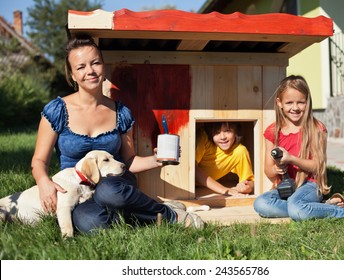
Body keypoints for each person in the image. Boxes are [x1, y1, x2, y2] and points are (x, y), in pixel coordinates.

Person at [31, 33, 203, 234]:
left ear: (103, 65)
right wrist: (44, 182)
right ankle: (141, 212)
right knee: (91, 224)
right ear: (72, 74)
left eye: (95, 63)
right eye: (81, 67)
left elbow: (128, 161)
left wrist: (157, 159)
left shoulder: (121, 112)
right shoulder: (57, 110)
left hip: (115, 184)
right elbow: (39, 161)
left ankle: (169, 215)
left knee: (108, 192)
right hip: (78, 190)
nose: (90, 71)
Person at [253, 75, 344, 220]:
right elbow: (268, 170)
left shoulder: (316, 129)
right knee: (261, 203)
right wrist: (275, 169)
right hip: (285, 188)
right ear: (279, 103)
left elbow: (318, 166)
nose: (295, 108)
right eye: (289, 102)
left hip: (310, 186)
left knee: (296, 208)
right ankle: (321, 207)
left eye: (300, 102)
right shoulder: (272, 131)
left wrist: (291, 159)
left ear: (307, 102)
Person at [195, 122, 254, 196]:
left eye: (227, 131)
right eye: (217, 132)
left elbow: (249, 181)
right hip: (186, 186)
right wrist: (225, 190)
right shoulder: (203, 137)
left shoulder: (240, 151)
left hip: (204, 188)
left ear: (236, 131)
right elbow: (192, 168)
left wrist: (247, 187)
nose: (222, 137)